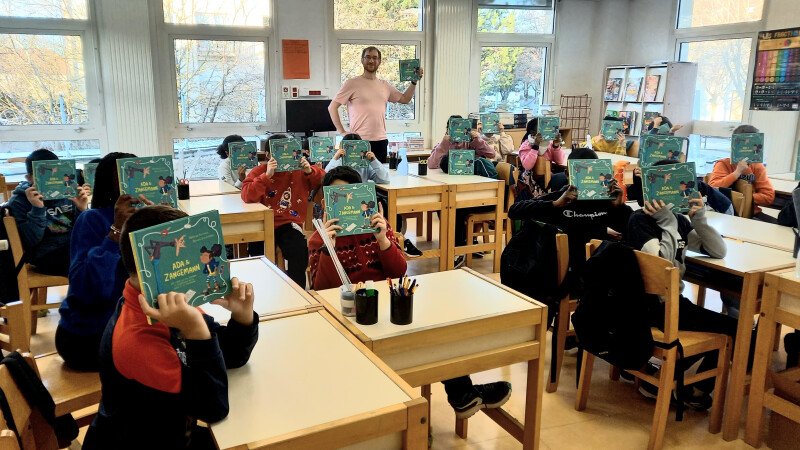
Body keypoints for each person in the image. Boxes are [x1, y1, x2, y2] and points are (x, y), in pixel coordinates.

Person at [309, 166, 511, 419]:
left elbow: (399, 270)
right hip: (349, 315)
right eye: (337, 197)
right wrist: (330, 247)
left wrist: (383, 239)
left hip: (386, 306)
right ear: (328, 205)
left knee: (432, 327)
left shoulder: (378, 228)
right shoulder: (319, 240)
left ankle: (461, 393)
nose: (345, 203)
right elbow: (322, 290)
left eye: (351, 195)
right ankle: (460, 394)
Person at [82, 206, 258, 450]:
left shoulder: (168, 301)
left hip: (171, 429)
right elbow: (213, 407)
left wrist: (242, 316)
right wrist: (195, 329)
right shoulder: (138, 340)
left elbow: (229, 356)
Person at [626, 160, 738, 410]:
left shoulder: (679, 221)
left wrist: (699, 220)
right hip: (650, 308)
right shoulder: (639, 221)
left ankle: (662, 377)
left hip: (673, 306)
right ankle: (691, 387)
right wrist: (668, 224)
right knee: (735, 328)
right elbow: (665, 272)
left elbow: (718, 251)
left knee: (722, 325)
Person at [56, 152, 153, 372]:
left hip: (134, 324)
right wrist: (116, 231)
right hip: (90, 333)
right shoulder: (91, 219)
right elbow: (86, 291)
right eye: (127, 174)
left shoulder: (147, 219)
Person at [508, 148, 632, 297]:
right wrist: (554, 204)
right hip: (567, 275)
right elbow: (514, 211)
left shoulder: (606, 202)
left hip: (599, 271)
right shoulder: (561, 198)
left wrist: (620, 207)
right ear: (568, 174)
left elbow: (630, 228)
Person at [241, 133, 325, 288]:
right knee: (258, 254)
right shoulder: (259, 171)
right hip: (262, 223)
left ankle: (297, 291)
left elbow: (323, 180)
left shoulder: (299, 170)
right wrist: (266, 176)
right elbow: (247, 195)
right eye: (280, 151)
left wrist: (309, 170)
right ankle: (262, 289)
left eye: (291, 150)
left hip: (288, 223)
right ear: (268, 155)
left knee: (299, 250)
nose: (286, 155)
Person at [328, 46, 423, 163]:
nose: (371, 61)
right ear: (362, 60)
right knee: (359, 178)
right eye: (368, 57)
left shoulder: (384, 85)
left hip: (381, 141)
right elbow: (332, 107)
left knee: (380, 179)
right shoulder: (351, 83)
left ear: (379, 61)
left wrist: (414, 82)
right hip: (359, 141)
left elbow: (405, 99)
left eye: (375, 58)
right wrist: (342, 132)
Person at [5, 149, 90, 276]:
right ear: (29, 178)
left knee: (108, 254)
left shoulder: (68, 193)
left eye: (56, 173)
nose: (52, 179)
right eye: (44, 175)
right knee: (89, 264)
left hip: (72, 246)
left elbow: (84, 232)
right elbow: (30, 241)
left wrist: (82, 210)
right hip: (44, 253)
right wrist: (38, 208)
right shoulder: (19, 201)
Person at [707, 125, 775, 222]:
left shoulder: (757, 166)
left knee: (778, 227)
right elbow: (713, 189)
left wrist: (743, 198)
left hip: (751, 213)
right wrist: (737, 173)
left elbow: (768, 197)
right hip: (725, 212)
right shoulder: (724, 164)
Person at [518, 118, 568, 193]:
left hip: (548, 176)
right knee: (568, 177)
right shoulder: (526, 145)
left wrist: (556, 145)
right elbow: (527, 166)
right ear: (532, 132)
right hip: (533, 181)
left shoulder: (549, 143)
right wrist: (535, 146)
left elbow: (560, 161)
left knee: (569, 176)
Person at [428, 115, 496, 170]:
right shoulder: (442, 145)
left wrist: (477, 140)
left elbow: (491, 154)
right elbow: (432, 164)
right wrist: (444, 143)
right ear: (447, 129)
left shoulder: (471, 144)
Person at [325, 133, 390, 184]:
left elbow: (385, 180)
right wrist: (335, 158)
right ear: (342, 147)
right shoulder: (338, 163)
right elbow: (325, 178)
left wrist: (374, 160)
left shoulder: (364, 166)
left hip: (360, 196)